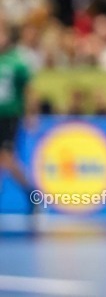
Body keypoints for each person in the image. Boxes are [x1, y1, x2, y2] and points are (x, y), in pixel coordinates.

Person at [0, 23, 36, 213]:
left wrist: (30, 114)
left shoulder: (17, 61)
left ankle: (31, 192)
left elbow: (29, 90)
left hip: (9, 117)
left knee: (6, 158)